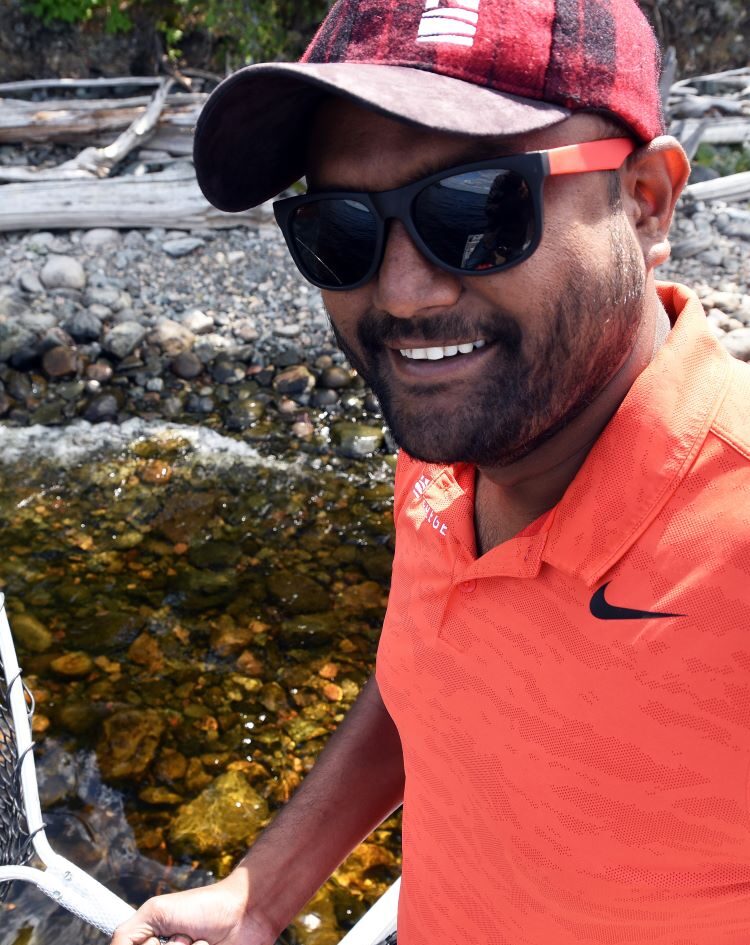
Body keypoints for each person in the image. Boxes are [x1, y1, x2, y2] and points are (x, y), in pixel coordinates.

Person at [112, 1, 750, 943]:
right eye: (341, 229)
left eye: (479, 208)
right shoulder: (454, 438)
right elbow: (439, 671)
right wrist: (262, 890)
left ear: (647, 200)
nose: (406, 294)